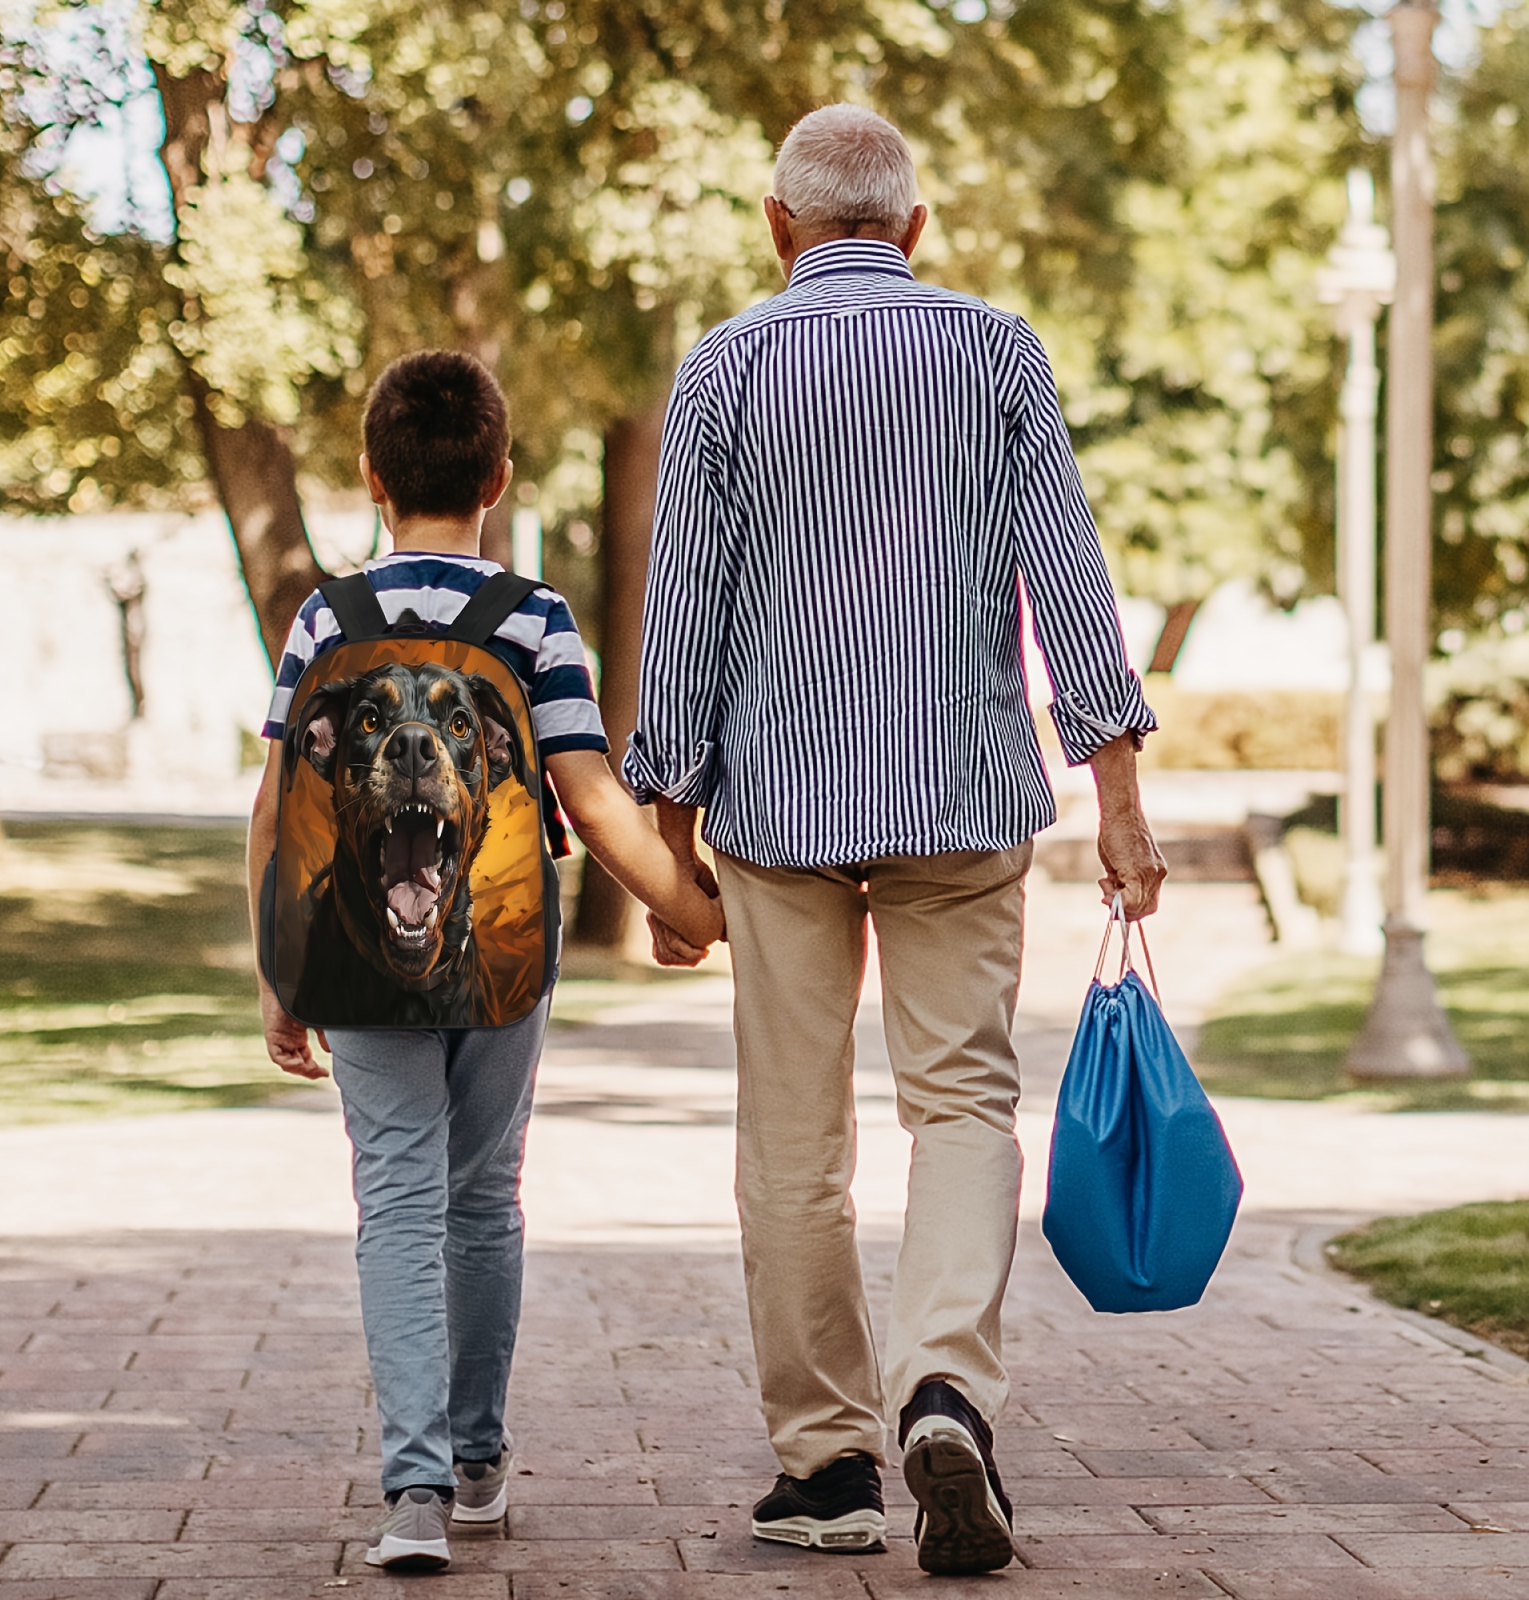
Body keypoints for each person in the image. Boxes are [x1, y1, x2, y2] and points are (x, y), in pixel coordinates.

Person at [627, 105, 1166, 1576]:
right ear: (914, 229)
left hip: (780, 810)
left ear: (775, 223)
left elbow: (683, 617)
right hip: (962, 792)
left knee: (793, 1142)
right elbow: (1068, 565)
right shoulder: (996, 351)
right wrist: (1117, 795)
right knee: (963, 1108)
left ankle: (828, 1468)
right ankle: (946, 1389)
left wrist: (667, 845)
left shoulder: (725, 368)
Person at [246, 351, 724, 1574]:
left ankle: (409, 1496)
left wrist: (276, 963)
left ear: (370, 476)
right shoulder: (533, 618)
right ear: (499, 478)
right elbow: (594, 800)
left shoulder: (325, 618)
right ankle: (475, 1464)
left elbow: (274, 799)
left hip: (354, 961)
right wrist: (698, 911)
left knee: (395, 1198)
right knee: (482, 1197)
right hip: (507, 952)